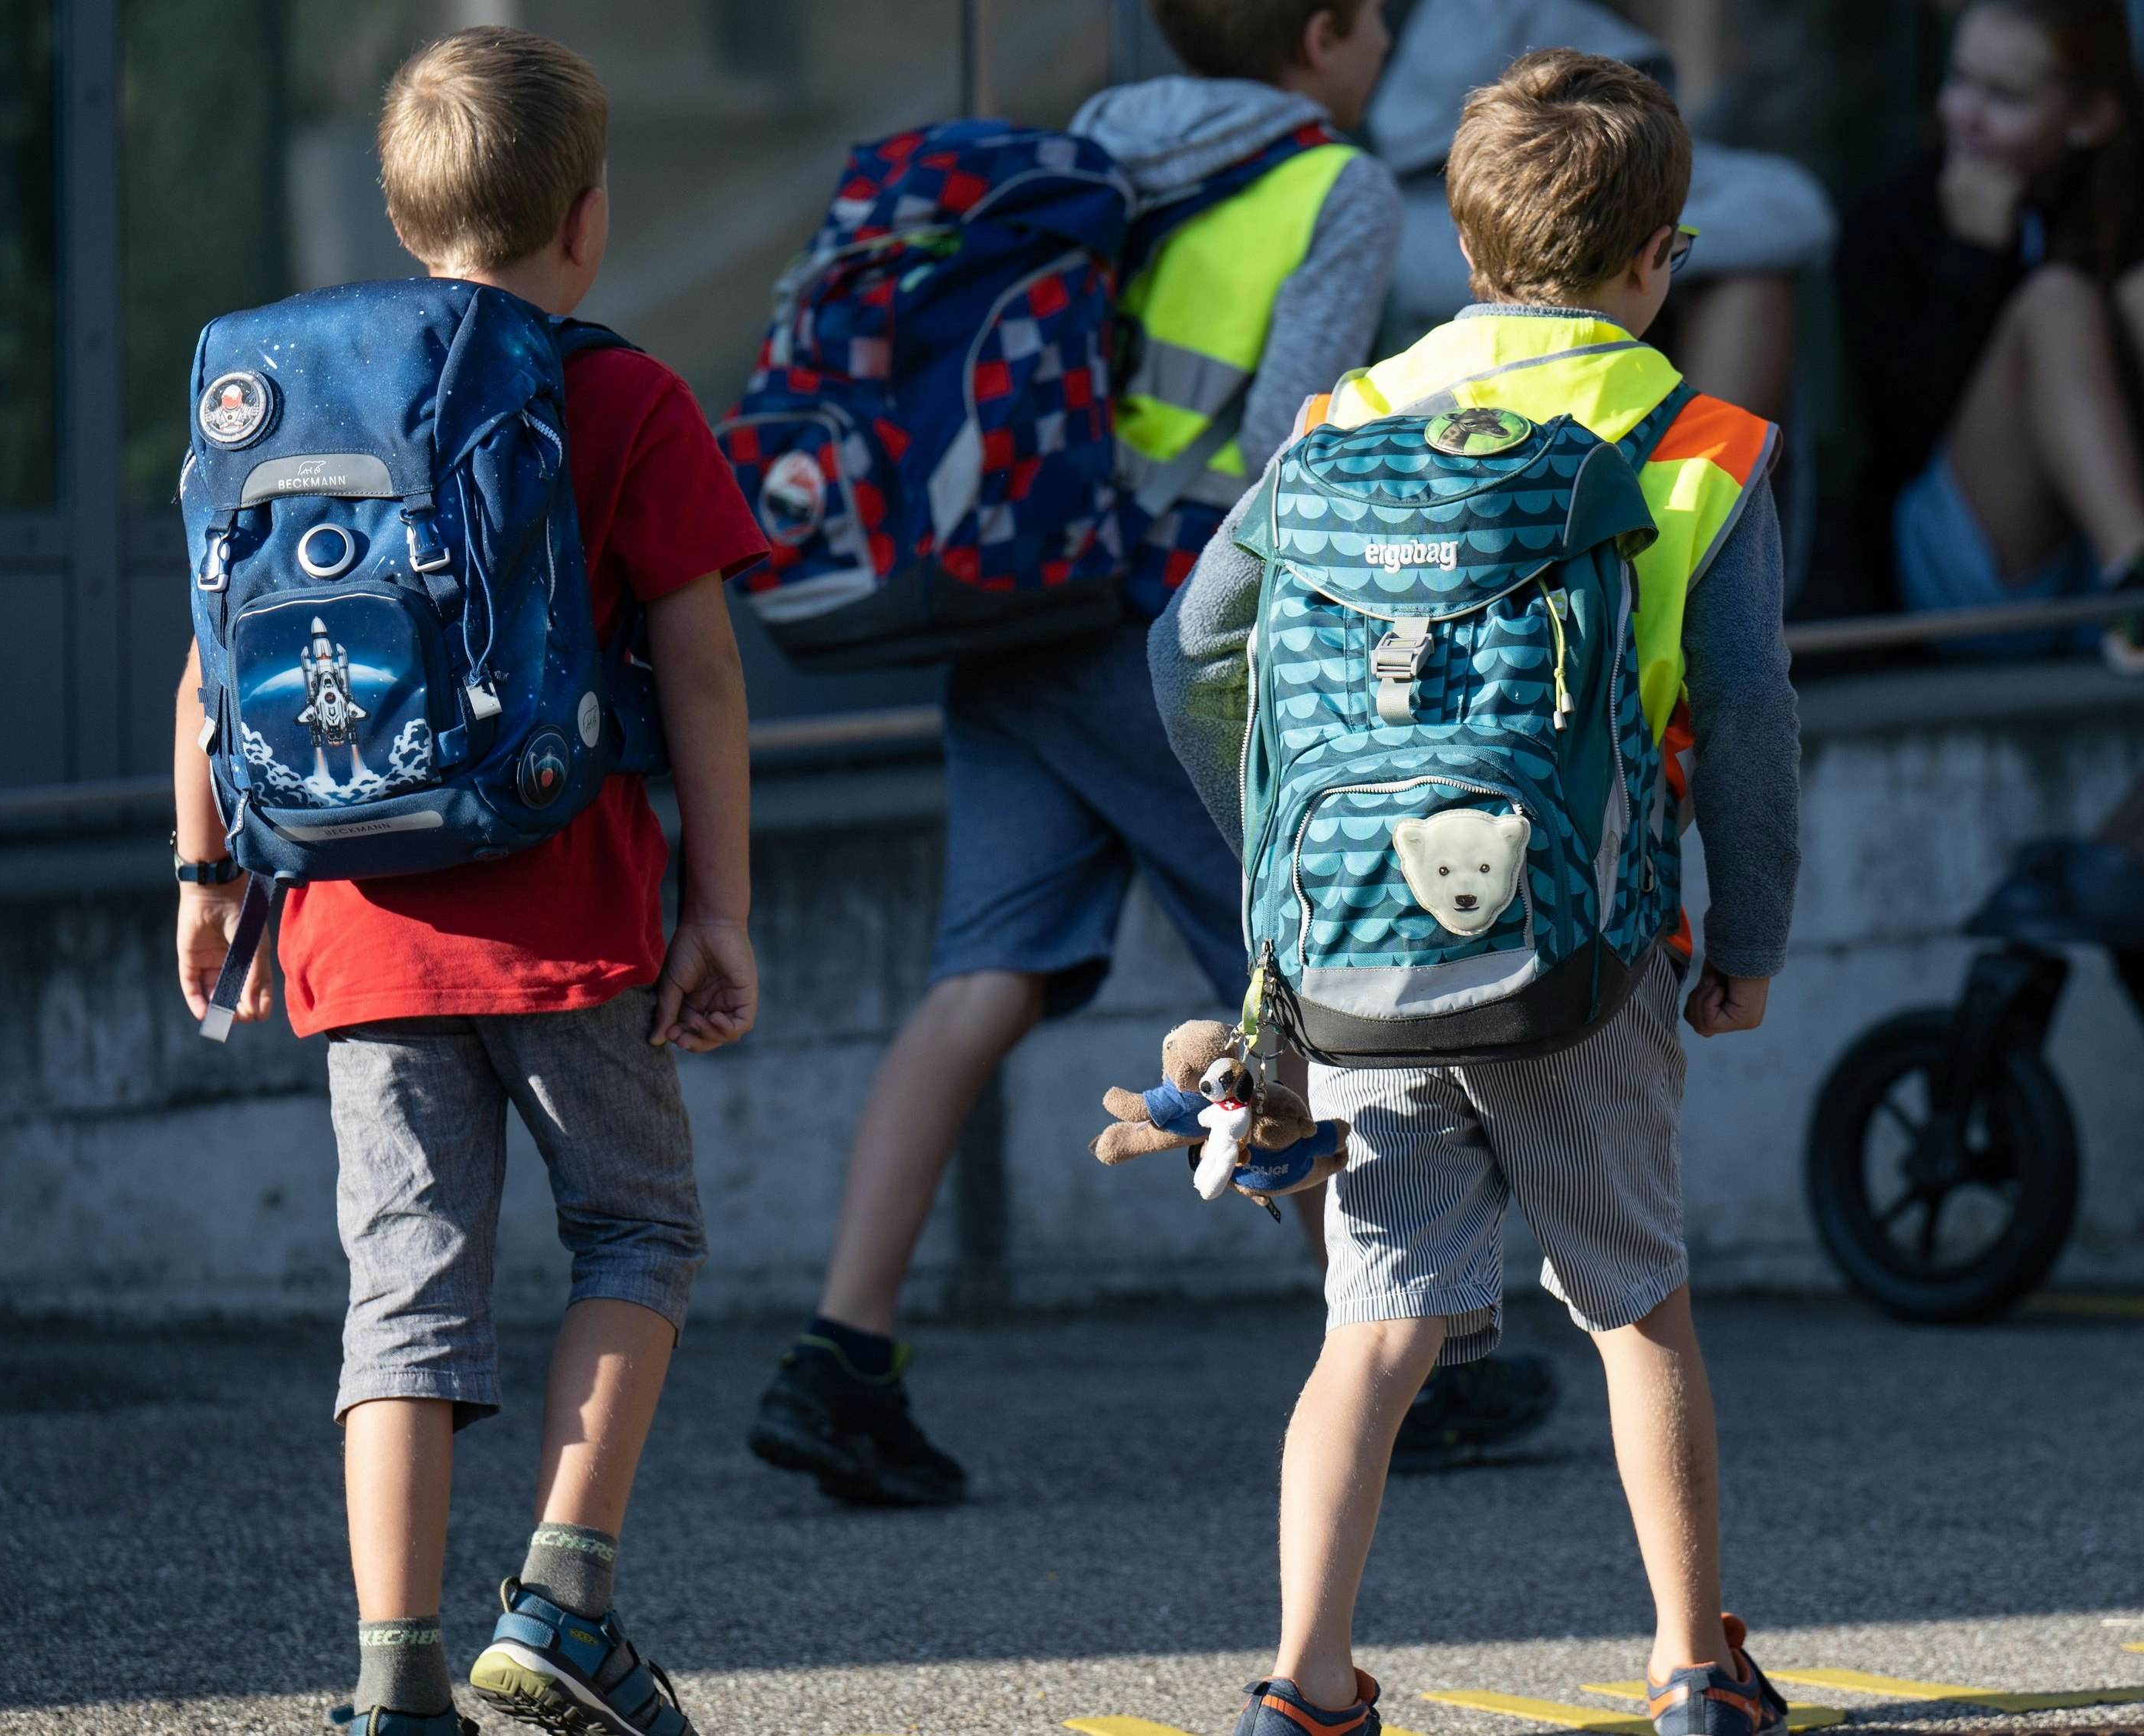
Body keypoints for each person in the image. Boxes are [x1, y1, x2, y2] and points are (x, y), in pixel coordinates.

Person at [743, 0, 1549, 1510]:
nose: (1391, 45)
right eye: (1379, 21)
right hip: (1162, 637)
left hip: (1008, 611)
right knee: (1298, 981)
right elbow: (1293, 451)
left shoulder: (1090, 148)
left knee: (981, 980)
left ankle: (839, 1352)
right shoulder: (1334, 186)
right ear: (1325, 33)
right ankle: (1411, 1362)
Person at [1151, 49, 1802, 1736]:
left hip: (1358, 959)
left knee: (1370, 1335)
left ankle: (1303, 1683)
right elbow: (1744, 719)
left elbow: (1193, 649)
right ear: (1658, 255)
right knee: (1636, 1309)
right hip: (1590, 952)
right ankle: (1691, 1669)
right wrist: (1747, 941)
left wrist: (1285, 879)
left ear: (1462, 239)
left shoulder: (1340, 424)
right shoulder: (1698, 445)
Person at [170, 26, 764, 1736]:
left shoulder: (291, 401)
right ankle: (564, 1602)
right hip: (573, 921)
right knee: (637, 1228)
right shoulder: (622, 397)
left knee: (405, 1295)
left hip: (355, 929)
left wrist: (207, 874)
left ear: (398, 213)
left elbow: (211, 670)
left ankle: (393, 1678)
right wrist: (719, 909)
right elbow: (702, 673)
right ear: (588, 218)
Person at [1836, 0, 2144, 670]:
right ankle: (2137, 585)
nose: (1965, 114)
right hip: (1980, 573)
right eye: (1960, 80)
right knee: (2057, 299)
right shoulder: (1892, 218)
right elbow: (1903, 432)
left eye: (2005, 97)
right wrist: (1970, 258)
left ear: (2091, 118)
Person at [1363, 0, 1835, 423]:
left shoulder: (1353, 404)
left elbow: (1792, 205)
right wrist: (1633, 244)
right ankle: (1723, 457)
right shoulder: (1384, 193)